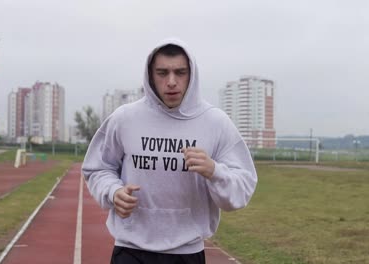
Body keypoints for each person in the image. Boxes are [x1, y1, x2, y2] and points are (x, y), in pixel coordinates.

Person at [82, 38, 258, 264]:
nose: (172, 81)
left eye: (180, 72)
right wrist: (113, 192)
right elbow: (98, 168)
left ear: (191, 74)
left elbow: (242, 188)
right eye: (162, 73)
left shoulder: (216, 122)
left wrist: (214, 171)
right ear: (150, 75)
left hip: (187, 252)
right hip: (130, 249)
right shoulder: (124, 118)